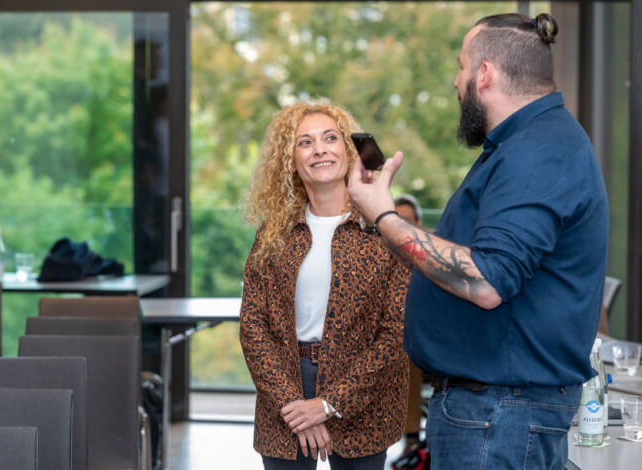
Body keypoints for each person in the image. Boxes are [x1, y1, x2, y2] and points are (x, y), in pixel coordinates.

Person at [348, 13, 609, 470]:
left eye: (461, 66)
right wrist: (384, 217)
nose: (456, 80)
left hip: (499, 416)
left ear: (484, 74)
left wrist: (385, 217)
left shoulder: (537, 152)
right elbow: (483, 259)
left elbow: (486, 280)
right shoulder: (528, 145)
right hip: (496, 413)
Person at [239, 100, 409, 470]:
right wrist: (293, 406)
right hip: (284, 390)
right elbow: (253, 325)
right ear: (291, 162)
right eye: (304, 142)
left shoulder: (384, 230)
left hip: (363, 396)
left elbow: (396, 332)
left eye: (330, 138)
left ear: (348, 151)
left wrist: (330, 404)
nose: (319, 149)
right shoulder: (274, 235)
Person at [393, 194, 424, 451]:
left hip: (431, 341)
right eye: (397, 220)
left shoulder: (433, 257)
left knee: (408, 356)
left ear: (419, 223)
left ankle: (412, 436)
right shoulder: (380, 256)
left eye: (408, 221)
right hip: (393, 342)